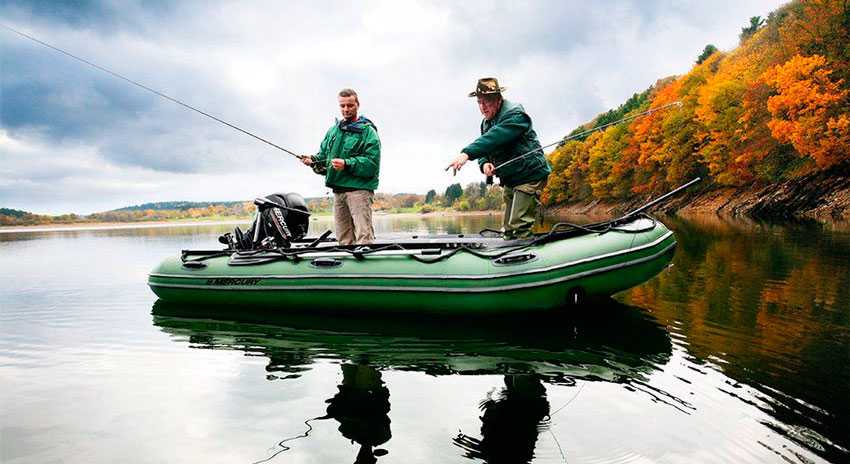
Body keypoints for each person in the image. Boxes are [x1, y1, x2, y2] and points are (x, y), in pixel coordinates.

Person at [447, 78, 551, 239]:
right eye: (479, 102)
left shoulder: (515, 115)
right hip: (511, 179)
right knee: (508, 230)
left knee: (519, 226)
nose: (483, 107)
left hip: (530, 175)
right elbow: (486, 150)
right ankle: (511, 252)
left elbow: (494, 138)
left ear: (498, 99)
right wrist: (485, 164)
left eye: (487, 102)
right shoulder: (486, 122)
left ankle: (525, 256)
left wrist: (466, 154)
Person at [302, 88, 381, 245]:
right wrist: (313, 161)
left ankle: (367, 266)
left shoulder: (368, 131)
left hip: (359, 191)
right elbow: (323, 160)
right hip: (338, 191)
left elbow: (372, 163)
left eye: (350, 105)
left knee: (363, 235)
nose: (346, 109)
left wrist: (347, 164)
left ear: (357, 105)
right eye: (342, 106)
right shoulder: (333, 131)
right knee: (343, 238)